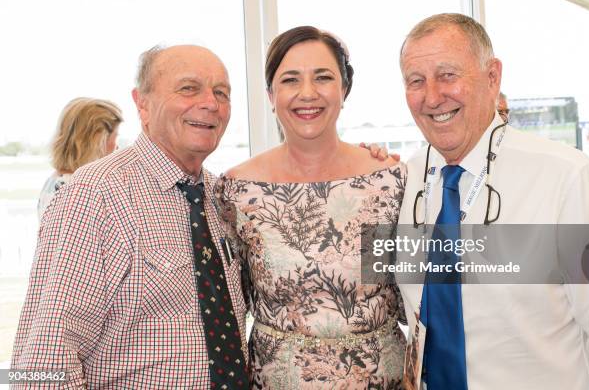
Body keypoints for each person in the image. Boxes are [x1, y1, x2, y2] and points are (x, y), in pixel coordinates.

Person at [12, 45, 250, 388]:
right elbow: (41, 360)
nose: (210, 103)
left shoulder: (218, 199)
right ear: (142, 103)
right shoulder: (94, 194)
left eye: (221, 92)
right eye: (188, 88)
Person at [397, 13, 589, 389]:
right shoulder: (402, 182)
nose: (432, 96)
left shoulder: (566, 176)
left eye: (448, 75)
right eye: (416, 81)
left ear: (492, 77)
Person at [216, 26, 407, 388]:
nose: (307, 93)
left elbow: (418, 294)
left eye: (323, 77)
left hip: (381, 379)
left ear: (344, 89)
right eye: (290, 80)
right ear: (271, 94)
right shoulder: (235, 191)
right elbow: (230, 301)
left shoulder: (390, 181)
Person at [38, 97, 123, 220]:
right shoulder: (78, 190)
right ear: (97, 141)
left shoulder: (54, 181)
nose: (117, 147)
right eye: (115, 137)